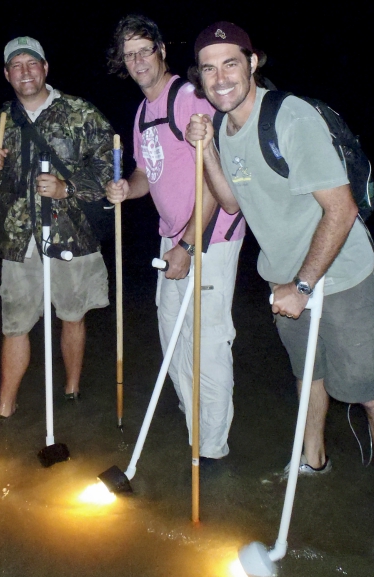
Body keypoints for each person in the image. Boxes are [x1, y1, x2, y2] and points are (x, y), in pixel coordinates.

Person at [186, 21, 374, 546]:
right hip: (286, 279)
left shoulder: (290, 117)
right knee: (310, 377)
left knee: (371, 391)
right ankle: (314, 462)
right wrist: (209, 153)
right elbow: (236, 202)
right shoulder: (225, 126)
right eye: (209, 68)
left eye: (231, 63)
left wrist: (304, 285)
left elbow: (341, 207)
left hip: (341, 276)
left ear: (252, 63)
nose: (220, 78)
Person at [105, 15, 245, 461]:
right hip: (173, 240)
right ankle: (194, 426)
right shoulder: (144, 111)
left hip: (210, 237)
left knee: (207, 342)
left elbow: (211, 178)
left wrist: (188, 245)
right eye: (129, 55)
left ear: (161, 49)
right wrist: (128, 188)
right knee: (173, 337)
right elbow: (147, 172)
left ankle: (212, 448)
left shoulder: (188, 99)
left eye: (144, 49)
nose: (138, 60)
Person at [0, 37, 113, 423]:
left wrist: (69, 189)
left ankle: (71, 388)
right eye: (16, 65)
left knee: (72, 313)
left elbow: (109, 169)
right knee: (15, 323)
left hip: (73, 235)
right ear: (7, 75)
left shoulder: (81, 112)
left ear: (45, 68)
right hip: (19, 241)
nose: (25, 71)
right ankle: (5, 404)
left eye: (31, 63)